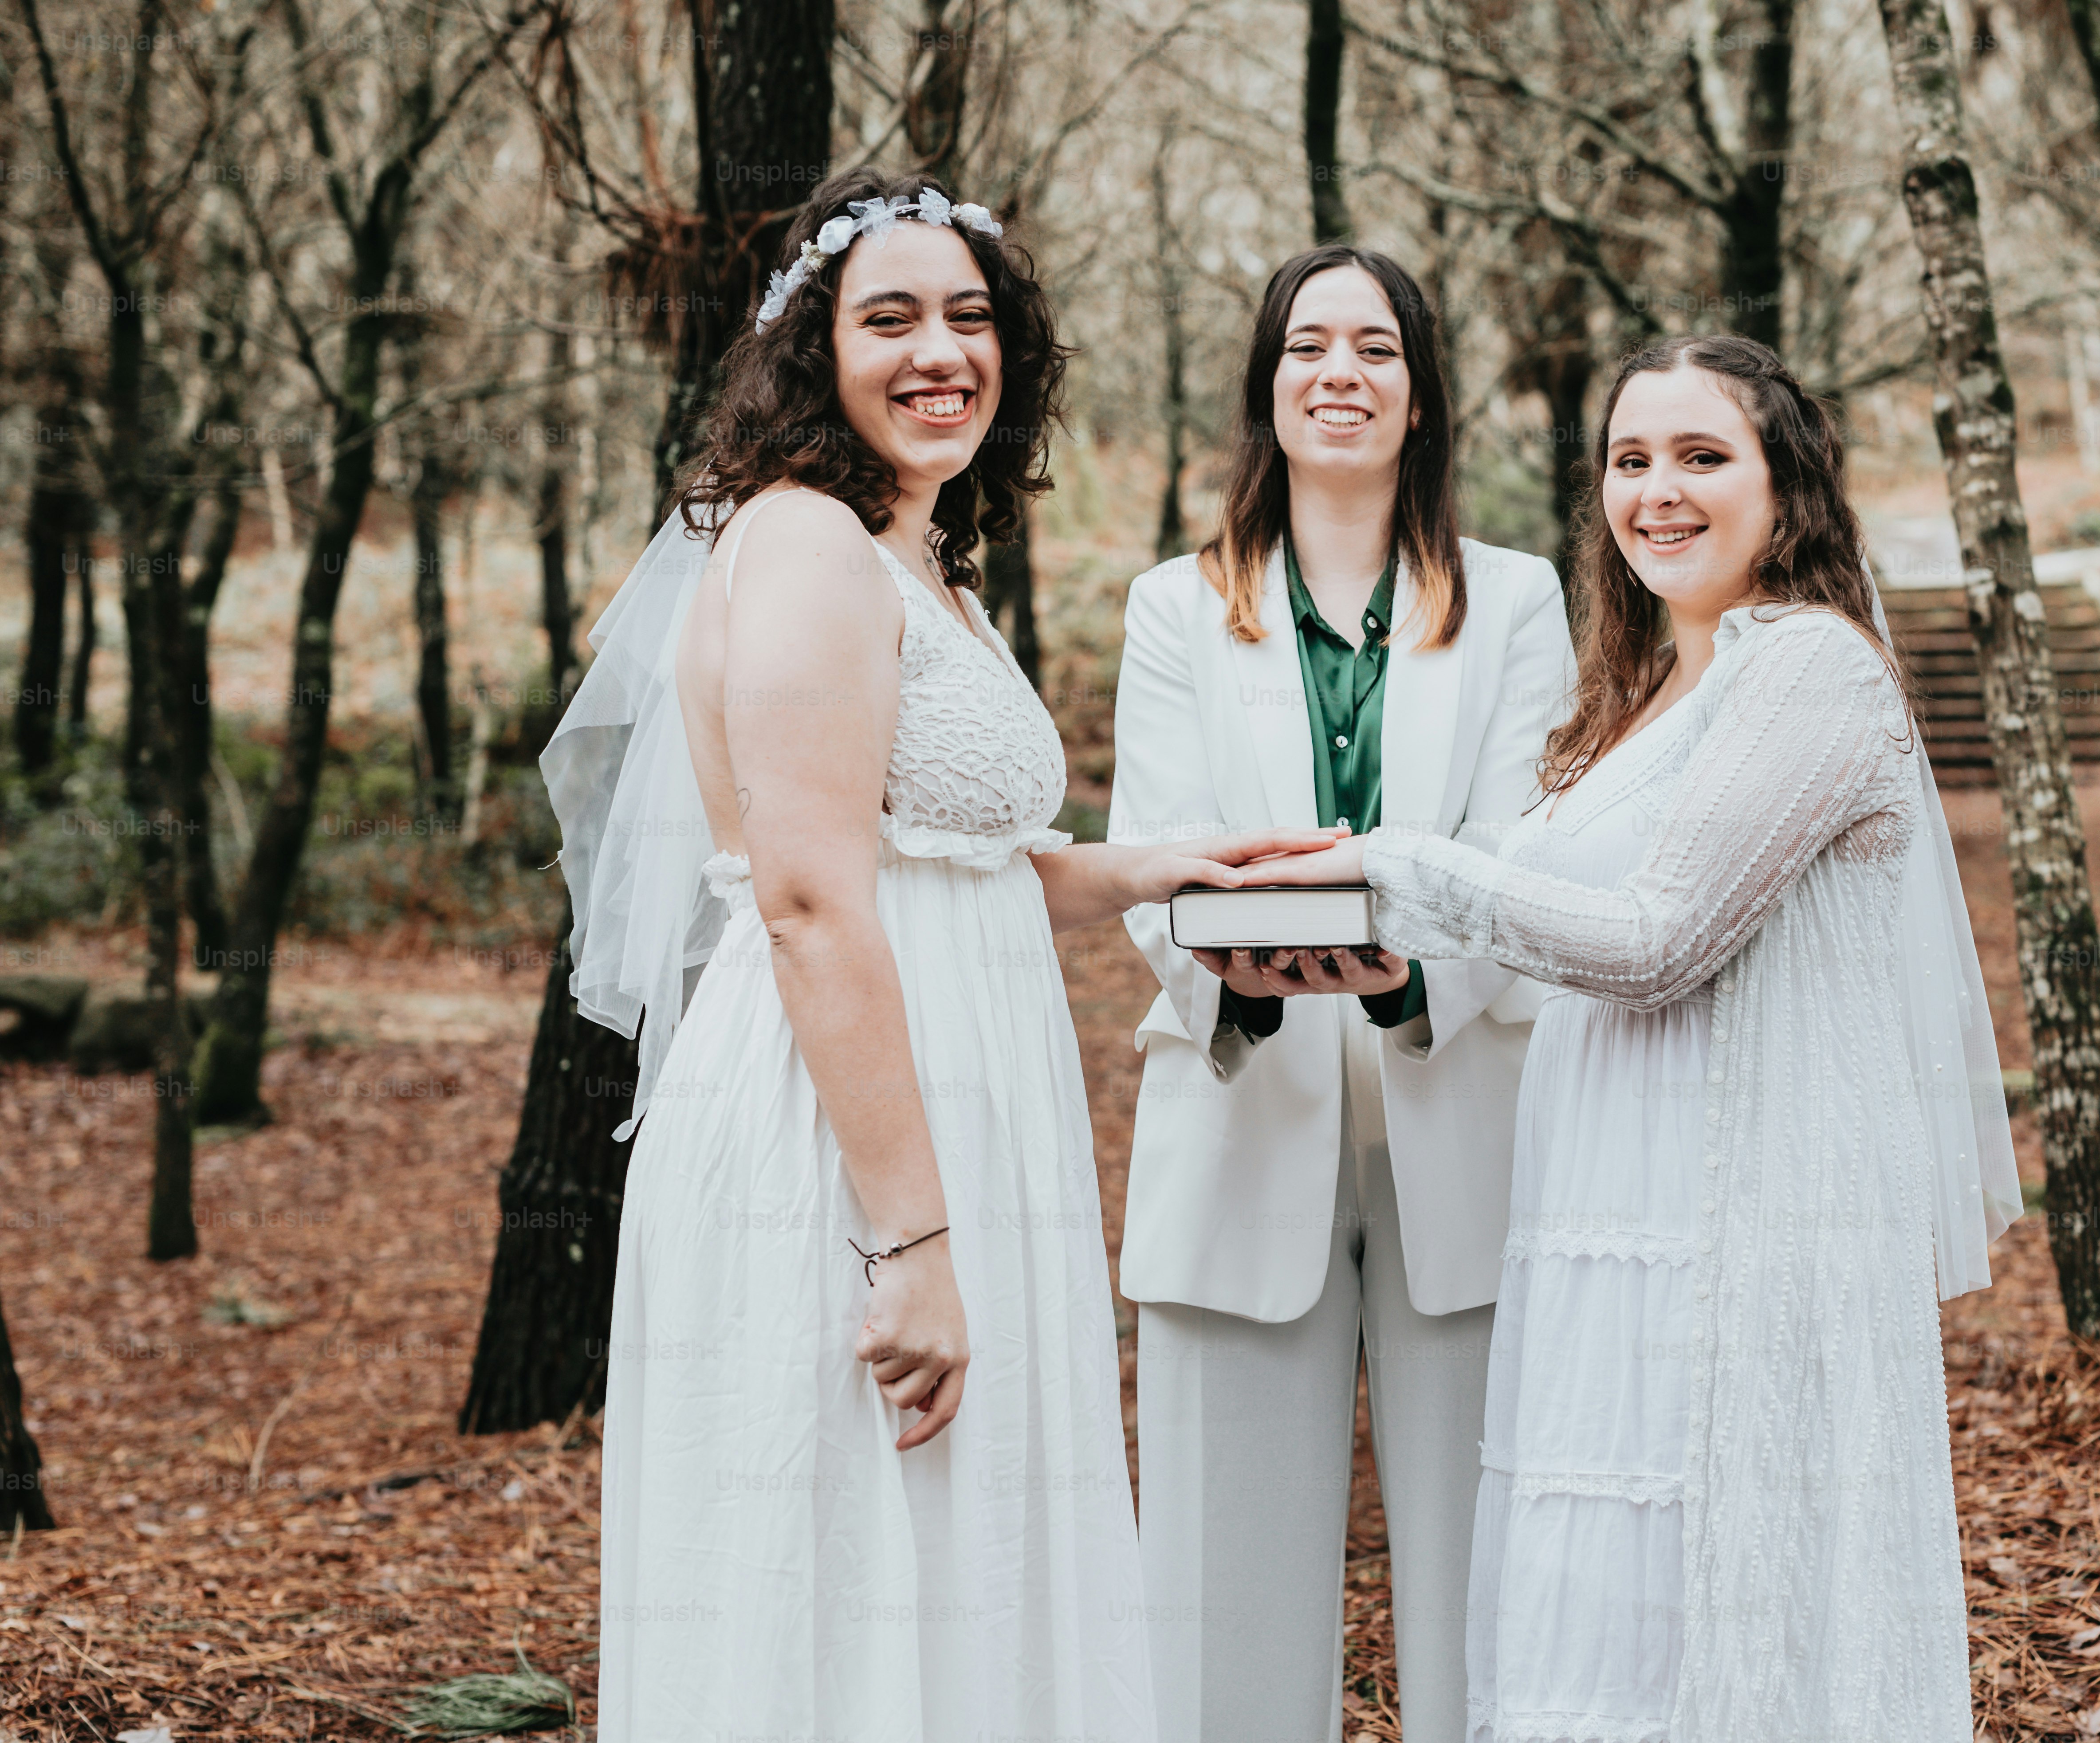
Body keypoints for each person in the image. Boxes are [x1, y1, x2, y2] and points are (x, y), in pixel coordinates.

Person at [552, 167, 1331, 1743]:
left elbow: (944, 860)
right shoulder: (808, 548)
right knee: (857, 1587)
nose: (940, 353)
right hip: (846, 1150)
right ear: (812, 352)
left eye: (971, 319)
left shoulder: (912, 557)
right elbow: (813, 904)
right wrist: (908, 1244)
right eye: (890, 317)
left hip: (961, 1118)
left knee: (961, 1573)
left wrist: (1152, 868)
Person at [1236, 334, 2025, 1741]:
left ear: (1791, 489)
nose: (1657, 490)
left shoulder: (1810, 672)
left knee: (1723, 1615)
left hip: (1743, 1218)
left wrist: (1399, 873)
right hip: (1611, 1211)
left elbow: (1662, 941)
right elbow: (1551, 919)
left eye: (1703, 457)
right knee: (1607, 1620)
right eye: (1631, 459)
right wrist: (1337, 932)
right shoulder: (1647, 688)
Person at [1106, 243, 1575, 1743]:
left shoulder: (1515, 601)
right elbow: (1150, 856)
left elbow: (1524, 857)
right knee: (1218, 1605)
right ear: (1268, 388)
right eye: (1309, 347)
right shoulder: (1177, 608)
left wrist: (1412, 975)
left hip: (1460, 1112)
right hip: (1245, 1117)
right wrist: (1230, 976)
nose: (1341, 374)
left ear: (1423, 394)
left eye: (1377, 349)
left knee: (1485, 1588)